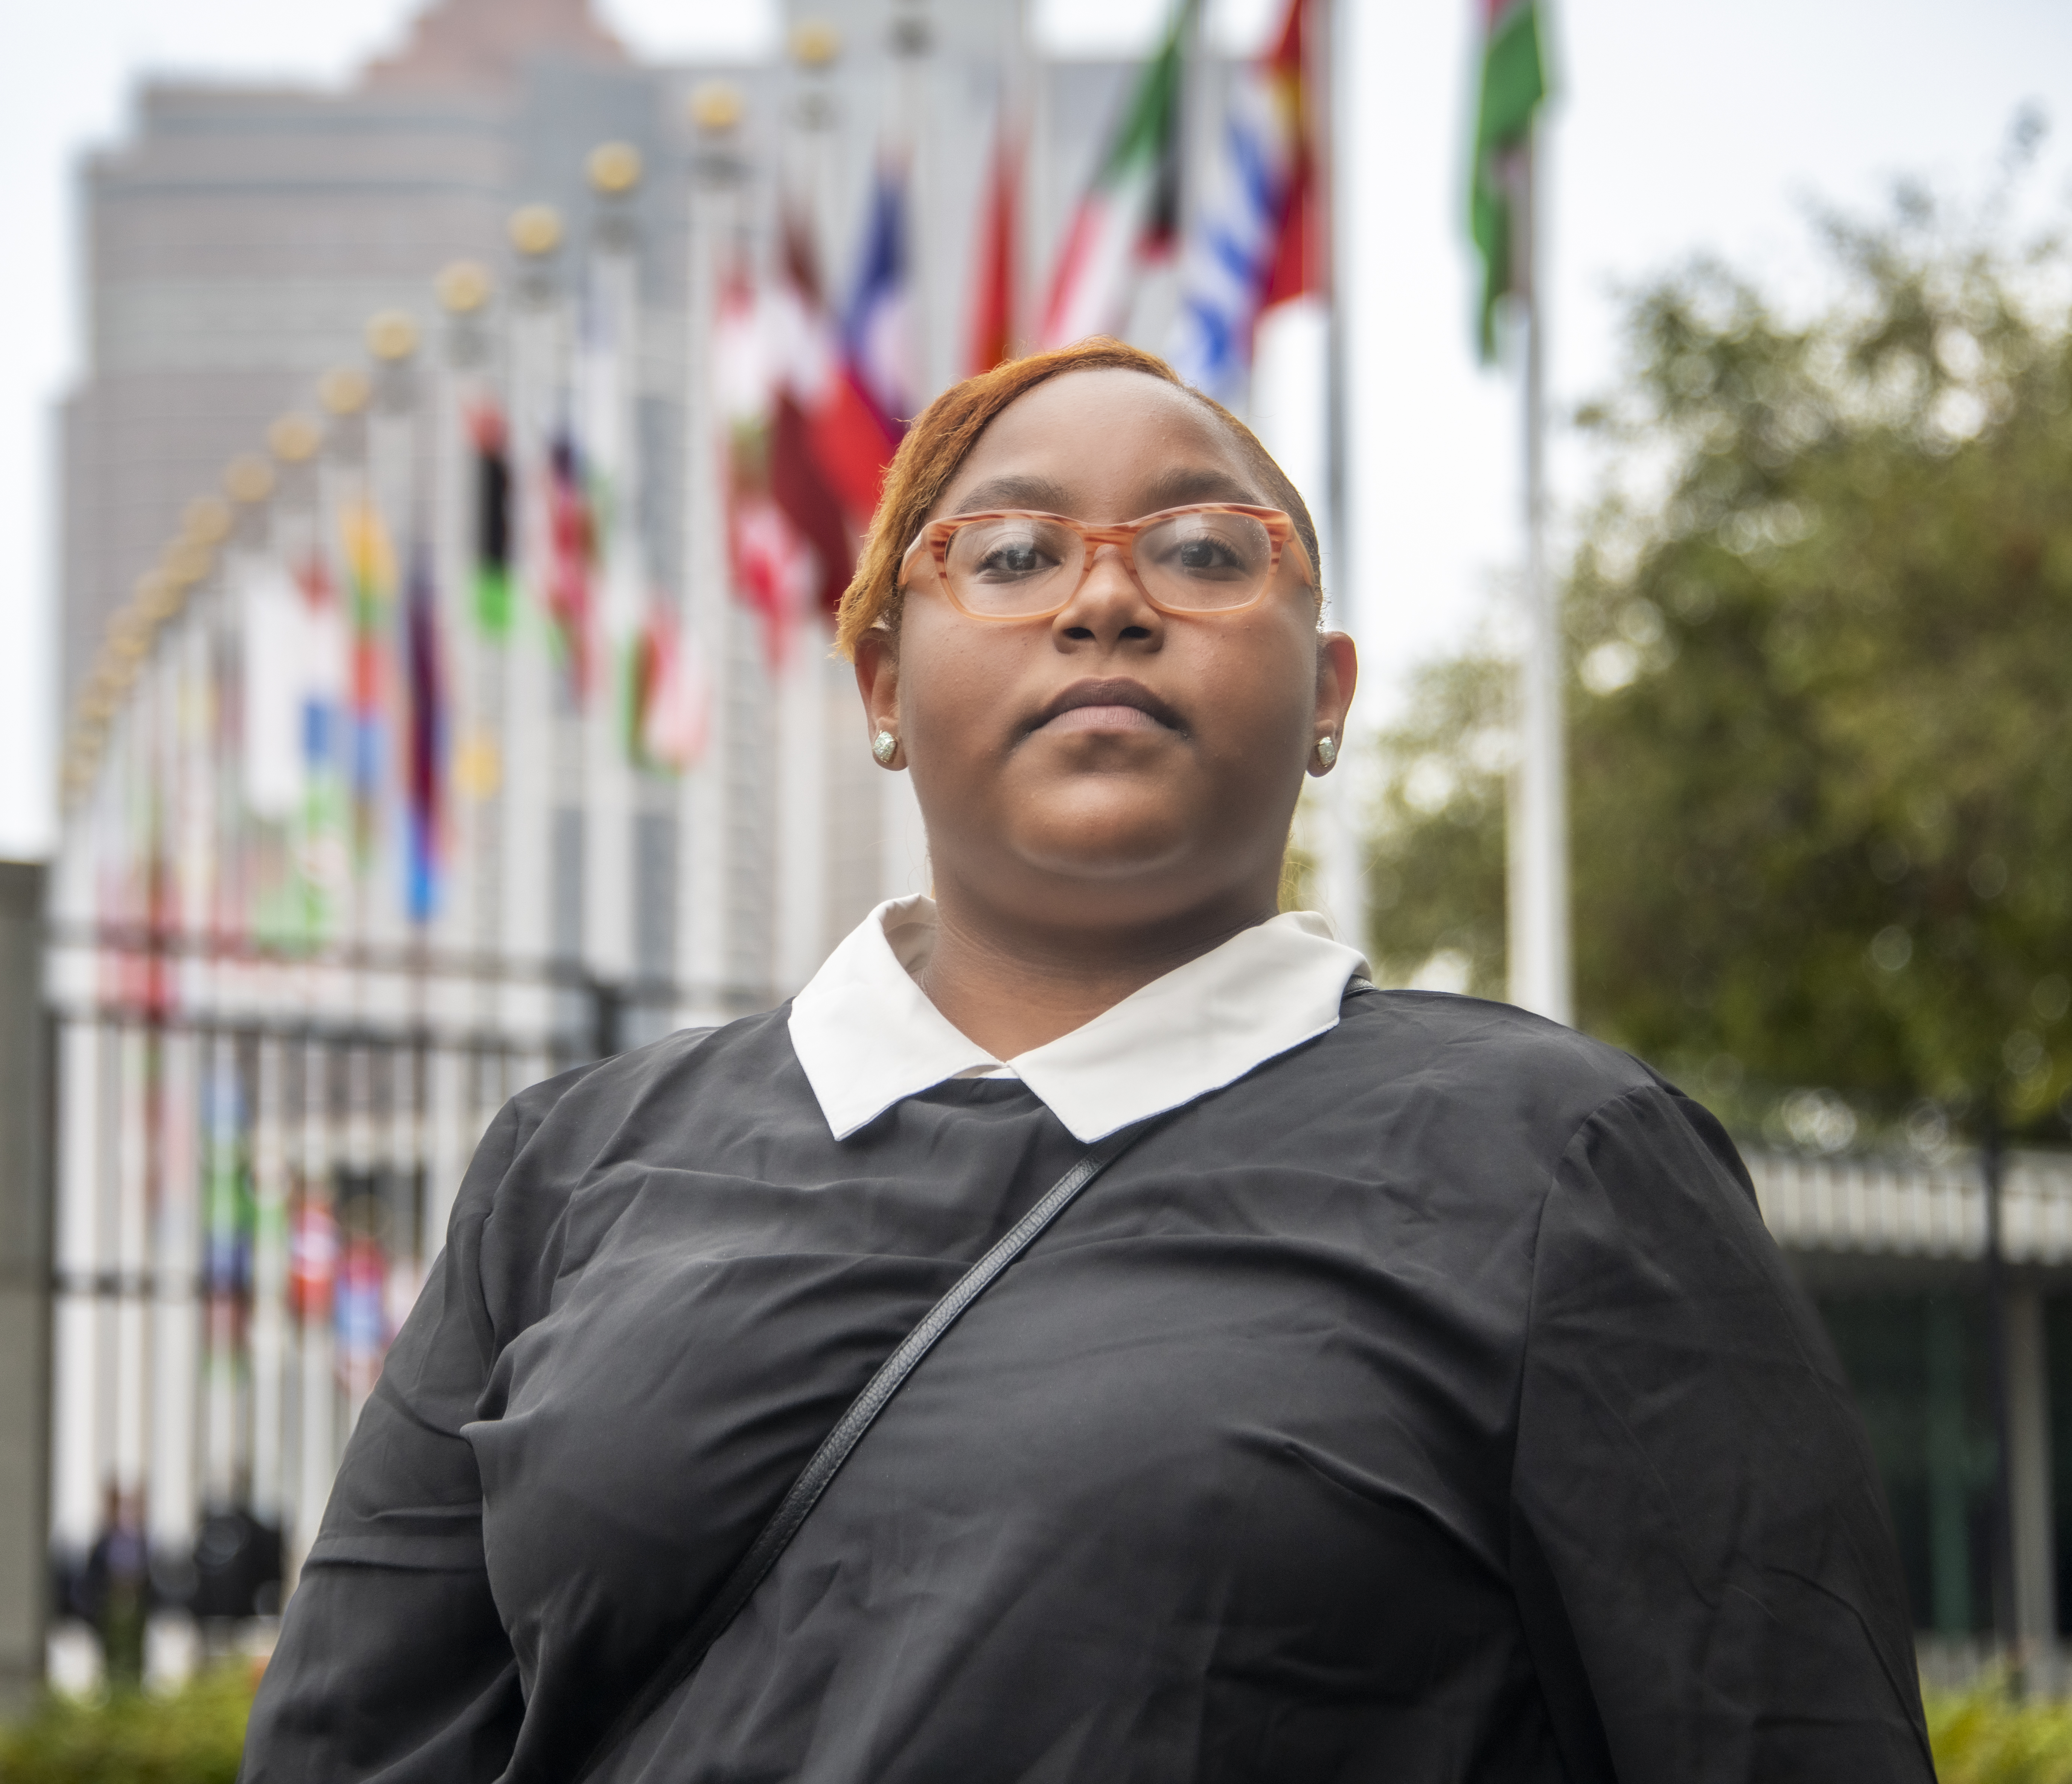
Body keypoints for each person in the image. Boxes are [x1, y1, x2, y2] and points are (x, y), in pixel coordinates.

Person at [242, 338, 1932, 1782]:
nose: (1108, 597)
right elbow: (353, 1739)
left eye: (1204, 553)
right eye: (1010, 553)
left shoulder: (1564, 1162)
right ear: (882, 677)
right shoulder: (576, 1162)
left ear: (1326, 692)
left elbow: (1776, 1719)